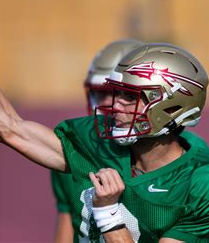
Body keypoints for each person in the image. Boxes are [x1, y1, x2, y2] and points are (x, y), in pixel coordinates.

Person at [0, 0, 209, 242]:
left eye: (130, 97)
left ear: (171, 106)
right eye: (117, 92)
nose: (115, 104)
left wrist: (109, 214)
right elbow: (9, 128)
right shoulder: (96, 140)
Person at [51, 39, 144, 243]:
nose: (109, 104)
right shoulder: (77, 146)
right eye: (100, 93)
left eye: (122, 94)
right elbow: (68, 223)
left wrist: (108, 212)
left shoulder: (191, 166)